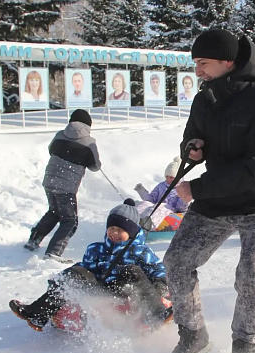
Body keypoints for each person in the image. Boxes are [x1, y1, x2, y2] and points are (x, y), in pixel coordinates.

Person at [161, 29, 255, 353]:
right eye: (196, 63)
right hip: (217, 199)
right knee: (177, 262)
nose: (197, 70)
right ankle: (193, 336)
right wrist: (192, 148)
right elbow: (191, 137)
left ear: (228, 62)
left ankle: (245, 350)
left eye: (203, 62)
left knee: (252, 272)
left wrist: (199, 188)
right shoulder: (205, 98)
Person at [10, 199, 172, 331]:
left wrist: (160, 286)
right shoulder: (96, 249)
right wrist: (63, 279)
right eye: (111, 228)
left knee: (132, 270)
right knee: (76, 272)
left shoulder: (140, 250)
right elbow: (85, 269)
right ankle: (38, 314)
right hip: (101, 290)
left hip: (127, 293)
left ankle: (157, 314)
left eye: (120, 230)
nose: (114, 233)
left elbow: (157, 269)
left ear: (131, 232)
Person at [24, 109, 101, 262]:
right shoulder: (89, 142)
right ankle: (53, 253)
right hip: (66, 187)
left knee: (54, 212)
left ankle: (34, 240)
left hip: (50, 181)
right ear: (88, 125)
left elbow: (50, 150)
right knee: (70, 221)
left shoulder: (59, 135)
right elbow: (95, 166)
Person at [134, 157, 189, 229]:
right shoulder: (161, 186)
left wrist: (184, 199)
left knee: (160, 208)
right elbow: (152, 199)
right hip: (155, 206)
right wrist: (142, 191)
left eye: (171, 177)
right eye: (167, 177)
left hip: (170, 210)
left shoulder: (181, 188)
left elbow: (180, 209)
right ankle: (135, 219)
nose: (168, 179)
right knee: (144, 204)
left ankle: (149, 224)